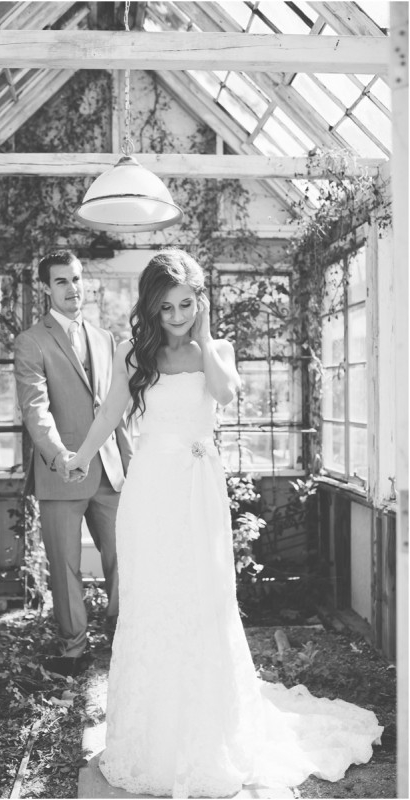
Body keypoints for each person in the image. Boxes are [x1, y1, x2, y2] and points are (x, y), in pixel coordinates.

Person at [65, 248, 382, 797]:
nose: (177, 316)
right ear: (151, 308)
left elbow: (226, 394)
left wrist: (206, 334)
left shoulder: (217, 350)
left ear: (201, 302)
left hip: (198, 491)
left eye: (186, 304)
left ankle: (210, 734)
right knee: (153, 602)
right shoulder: (132, 354)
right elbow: (110, 413)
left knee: (203, 602)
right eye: (166, 308)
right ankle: (152, 738)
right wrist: (80, 456)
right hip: (150, 492)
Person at [14, 250, 133, 677]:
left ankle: (123, 639)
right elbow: (35, 407)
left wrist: (131, 464)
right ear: (46, 287)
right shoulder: (32, 341)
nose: (72, 288)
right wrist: (59, 454)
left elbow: (117, 410)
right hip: (61, 473)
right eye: (62, 281)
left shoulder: (105, 338)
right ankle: (74, 650)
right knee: (64, 568)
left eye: (77, 278)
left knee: (125, 557)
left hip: (109, 472)